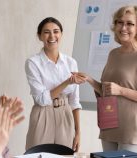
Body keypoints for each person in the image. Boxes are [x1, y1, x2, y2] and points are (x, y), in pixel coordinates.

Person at [74, 5, 137, 154]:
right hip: (109, 126)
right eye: (119, 22)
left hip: (132, 130)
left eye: (129, 23)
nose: (123, 27)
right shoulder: (113, 54)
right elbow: (107, 90)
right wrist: (89, 80)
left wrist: (121, 90)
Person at [25, 17, 86, 152]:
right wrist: (67, 82)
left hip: (65, 114)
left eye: (56, 31)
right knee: (37, 154)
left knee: (64, 155)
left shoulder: (71, 62)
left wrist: (78, 133)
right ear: (39, 36)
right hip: (42, 114)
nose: (52, 36)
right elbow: (41, 99)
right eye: (46, 32)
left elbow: (74, 101)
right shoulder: (33, 63)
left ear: (61, 34)